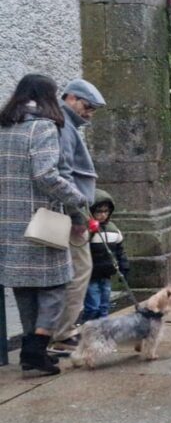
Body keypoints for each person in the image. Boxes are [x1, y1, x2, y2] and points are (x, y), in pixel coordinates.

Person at [0, 74, 89, 375]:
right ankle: (37, 348)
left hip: (8, 224)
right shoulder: (43, 126)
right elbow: (46, 175)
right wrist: (78, 200)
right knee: (55, 286)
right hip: (42, 221)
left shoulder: (4, 126)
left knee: (23, 287)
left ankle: (30, 351)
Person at [50, 78, 106, 356]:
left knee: (70, 272)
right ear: (70, 98)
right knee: (80, 270)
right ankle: (62, 333)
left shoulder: (64, 123)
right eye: (87, 106)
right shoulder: (63, 125)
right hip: (71, 215)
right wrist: (77, 216)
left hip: (67, 213)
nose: (90, 113)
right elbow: (65, 173)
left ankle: (57, 331)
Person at [83, 189, 129, 322]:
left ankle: (103, 328)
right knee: (93, 306)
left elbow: (120, 251)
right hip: (91, 275)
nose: (103, 215)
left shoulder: (113, 230)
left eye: (106, 211)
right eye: (99, 212)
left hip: (106, 273)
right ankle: (88, 326)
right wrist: (90, 232)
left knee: (104, 306)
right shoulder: (86, 229)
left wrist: (124, 266)